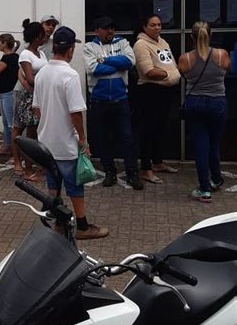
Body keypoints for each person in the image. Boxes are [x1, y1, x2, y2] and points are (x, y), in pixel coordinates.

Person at [33, 26, 109, 240]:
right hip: (66, 142)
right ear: (70, 50)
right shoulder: (70, 75)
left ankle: (59, 223)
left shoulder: (42, 74)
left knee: (53, 184)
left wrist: (47, 124)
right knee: (74, 185)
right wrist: (82, 139)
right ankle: (82, 227)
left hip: (46, 142)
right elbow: (76, 113)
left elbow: (37, 109)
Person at [83, 15, 142, 190]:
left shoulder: (123, 43)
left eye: (112, 28)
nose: (110, 31)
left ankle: (132, 173)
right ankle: (109, 171)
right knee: (103, 139)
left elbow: (130, 62)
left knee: (127, 138)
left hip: (120, 100)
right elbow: (93, 69)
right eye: (106, 28)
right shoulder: (89, 47)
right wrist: (117, 64)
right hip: (99, 101)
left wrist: (105, 60)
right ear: (97, 31)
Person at [178, 21, 230, 203]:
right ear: (211, 35)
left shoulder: (186, 58)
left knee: (201, 146)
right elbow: (227, 68)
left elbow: (183, 73)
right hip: (217, 102)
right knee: (214, 144)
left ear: (191, 36)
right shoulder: (222, 54)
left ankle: (204, 189)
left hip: (195, 103)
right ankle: (216, 179)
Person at [133, 13, 181, 184]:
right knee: (148, 131)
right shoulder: (141, 45)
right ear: (145, 27)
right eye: (153, 25)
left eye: (159, 24)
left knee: (161, 129)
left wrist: (170, 72)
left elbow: (172, 63)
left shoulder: (163, 41)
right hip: (150, 92)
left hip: (165, 93)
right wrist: (170, 74)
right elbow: (149, 71)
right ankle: (146, 168)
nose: (157, 28)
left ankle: (158, 162)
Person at [11, 19, 48, 181]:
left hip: (37, 94)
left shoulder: (42, 53)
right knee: (25, 132)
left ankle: (31, 165)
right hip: (26, 96)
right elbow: (30, 78)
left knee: (34, 132)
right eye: (42, 34)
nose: (45, 36)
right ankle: (26, 168)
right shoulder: (25, 54)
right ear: (36, 37)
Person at [0, 34, 20, 155]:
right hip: (3, 93)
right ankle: (7, 145)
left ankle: (15, 153)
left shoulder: (7, 59)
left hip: (8, 93)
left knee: (10, 124)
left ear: (4, 44)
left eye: (0, 42)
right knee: (6, 122)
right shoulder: (12, 57)